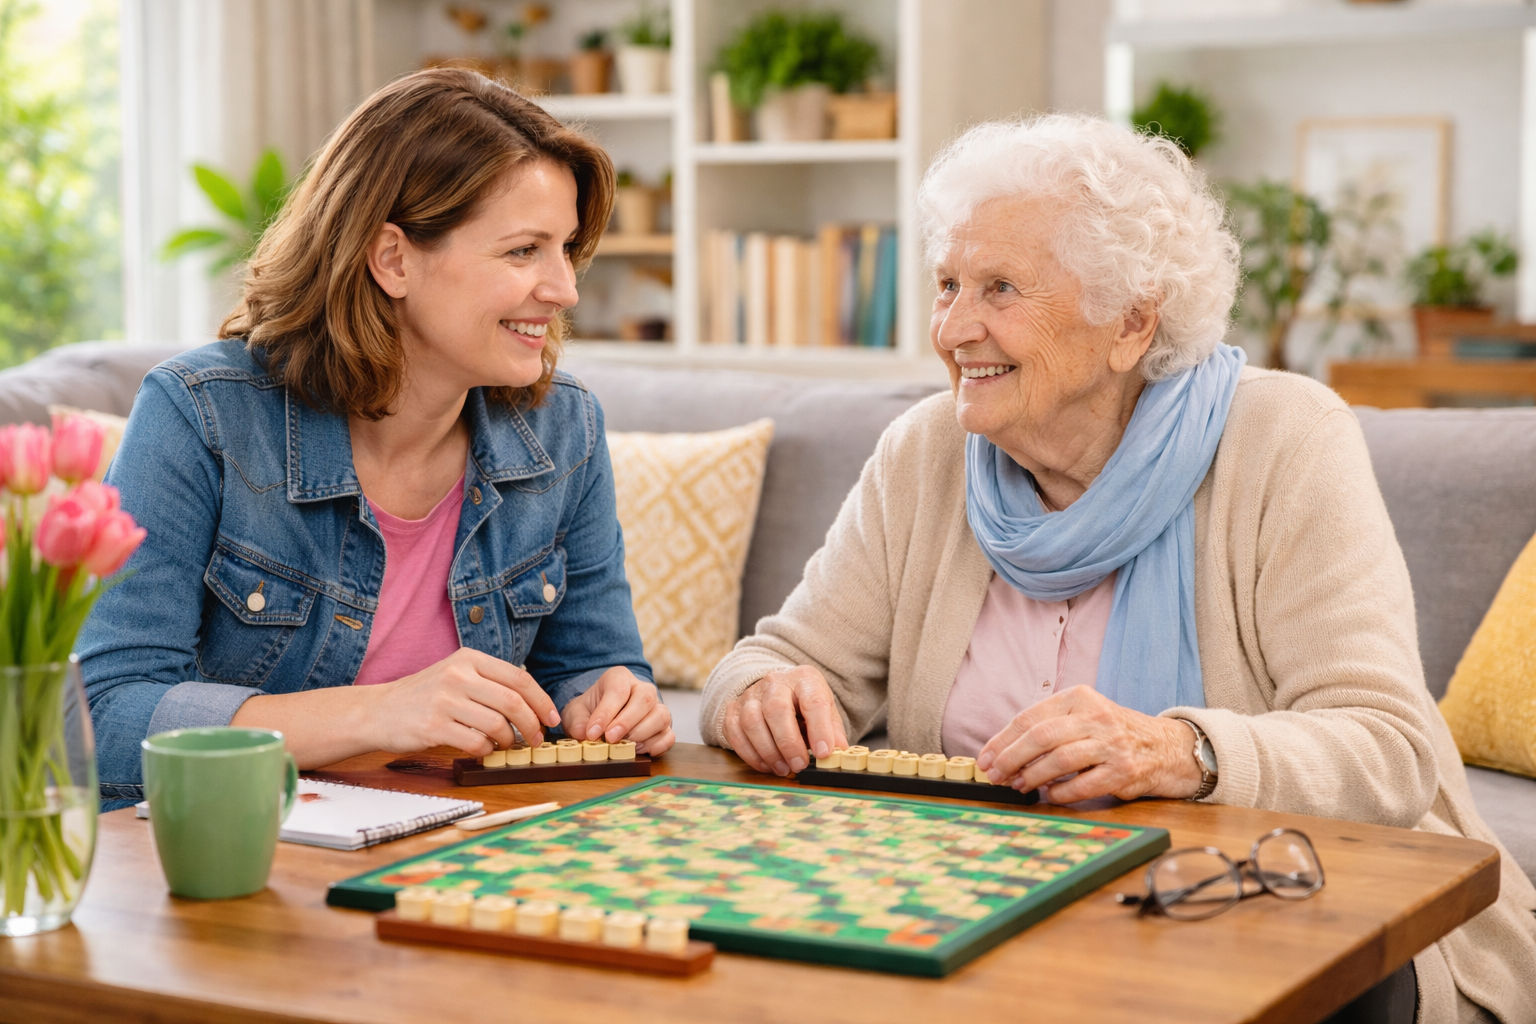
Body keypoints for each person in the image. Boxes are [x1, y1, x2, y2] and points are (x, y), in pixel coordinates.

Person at [700, 114, 1535, 1022]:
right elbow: (772, 660)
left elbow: (1389, 749)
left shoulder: (1282, 438)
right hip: (992, 913)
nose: (953, 326)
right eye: (947, 285)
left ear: (1132, 323)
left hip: (1270, 903)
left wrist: (1180, 751)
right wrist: (765, 695)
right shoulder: (926, 453)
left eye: (1000, 289)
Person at [81, 67, 673, 811]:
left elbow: (593, 664)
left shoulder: (564, 428)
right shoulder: (202, 416)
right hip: (241, 859)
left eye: (565, 249)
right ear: (392, 258)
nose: (564, 289)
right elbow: (102, 717)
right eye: (524, 251)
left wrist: (611, 700)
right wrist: (379, 711)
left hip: (456, 854)